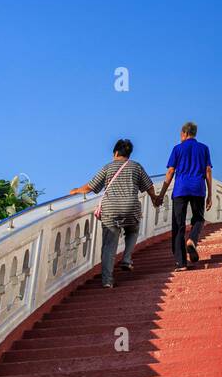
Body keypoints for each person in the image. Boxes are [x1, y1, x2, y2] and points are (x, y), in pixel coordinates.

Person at [69, 139, 158, 289]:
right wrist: (155, 198)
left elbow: (90, 187)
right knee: (133, 229)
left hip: (110, 210)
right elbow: (149, 186)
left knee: (109, 245)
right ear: (128, 154)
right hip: (130, 208)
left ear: (115, 153)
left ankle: (107, 281)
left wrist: (76, 190)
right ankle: (127, 259)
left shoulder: (108, 167)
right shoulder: (136, 167)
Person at [156, 122, 212, 272]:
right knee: (199, 219)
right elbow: (208, 172)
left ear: (184, 133)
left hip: (180, 189)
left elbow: (170, 172)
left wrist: (161, 194)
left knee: (178, 225)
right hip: (198, 188)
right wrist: (210, 194)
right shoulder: (204, 148)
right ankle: (192, 240)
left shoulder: (177, 149)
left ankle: (181, 263)